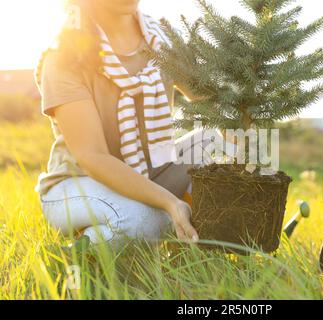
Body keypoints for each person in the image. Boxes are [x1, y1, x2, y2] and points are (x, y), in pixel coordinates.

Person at [36, 0, 215, 248]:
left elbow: (211, 99)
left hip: (149, 173)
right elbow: (93, 157)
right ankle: (79, 253)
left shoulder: (161, 40)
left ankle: (185, 249)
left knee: (214, 142)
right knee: (142, 219)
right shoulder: (64, 56)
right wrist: (169, 202)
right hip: (76, 185)